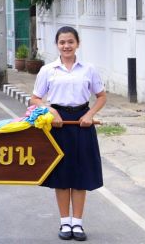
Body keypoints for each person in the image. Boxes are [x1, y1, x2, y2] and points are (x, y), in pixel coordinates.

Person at [30, 26, 106, 242]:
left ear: (77, 43)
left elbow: (101, 96)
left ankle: (78, 223)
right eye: (62, 42)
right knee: (62, 175)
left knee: (81, 175)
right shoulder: (48, 70)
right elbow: (35, 99)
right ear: (57, 45)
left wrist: (90, 114)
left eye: (70, 42)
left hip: (82, 122)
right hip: (58, 125)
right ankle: (65, 221)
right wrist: (51, 111)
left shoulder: (88, 69)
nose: (66, 46)